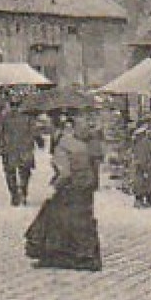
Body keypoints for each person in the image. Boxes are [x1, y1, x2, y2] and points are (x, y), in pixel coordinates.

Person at [24, 111, 103, 271]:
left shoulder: (63, 145)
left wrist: (54, 186)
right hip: (85, 186)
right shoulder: (81, 144)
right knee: (81, 221)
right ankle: (85, 254)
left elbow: (65, 173)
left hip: (70, 188)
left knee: (54, 219)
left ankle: (59, 255)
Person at [0, 104, 37, 206]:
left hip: (9, 148)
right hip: (24, 148)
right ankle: (23, 191)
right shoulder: (28, 117)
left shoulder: (4, 117)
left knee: (10, 172)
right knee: (25, 171)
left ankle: (14, 195)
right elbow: (34, 132)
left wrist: (2, 145)